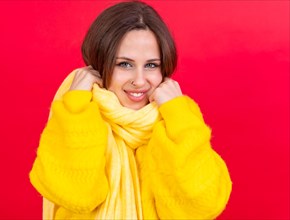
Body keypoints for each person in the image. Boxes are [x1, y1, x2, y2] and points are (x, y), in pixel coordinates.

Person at [30, 1, 232, 219]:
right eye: (124, 64)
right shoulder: (78, 115)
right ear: (99, 64)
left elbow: (201, 206)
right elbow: (75, 194)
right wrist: (76, 109)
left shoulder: (174, 122)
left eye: (151, 65)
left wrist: (179, 115)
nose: (139, 80)